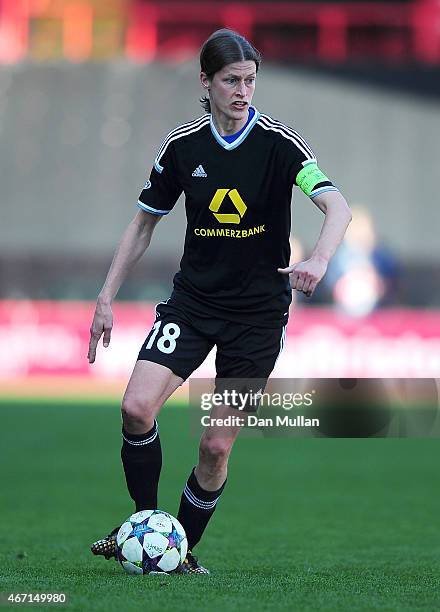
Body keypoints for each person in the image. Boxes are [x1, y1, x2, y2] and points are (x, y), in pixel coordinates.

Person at [88, 28, 352, 574]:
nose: (243, 91)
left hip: (257, 317)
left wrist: (319, 261)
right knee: (136, 409)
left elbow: (337, 207)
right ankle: (146, 527)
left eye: (250, 80)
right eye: (231, 80)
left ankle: (183, 550)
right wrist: (105, 298)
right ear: (205, 81)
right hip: (193, 304)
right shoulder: (183, 147)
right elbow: (144, 224)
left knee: (214, 446)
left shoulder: (280, 145)